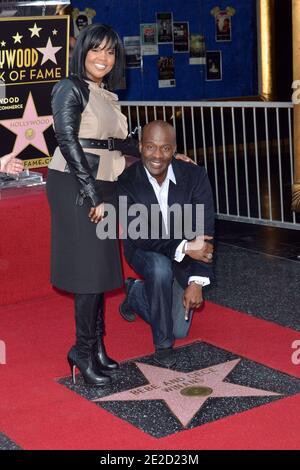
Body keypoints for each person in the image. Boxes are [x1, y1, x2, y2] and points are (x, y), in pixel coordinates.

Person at [47, 24, 193, 387]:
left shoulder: (105, 94)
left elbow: (120, 145)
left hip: (104, 185)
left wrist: (169, 158)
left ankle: (94, 347)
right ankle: (82, 350)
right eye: (96, 49)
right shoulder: (71, 87)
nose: (103, 58)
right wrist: (92, 194)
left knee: (97, 271)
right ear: (82, 51)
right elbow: (68, 140)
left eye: (110, 52)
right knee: (87, 272)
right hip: (77, 185)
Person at [118, 121, 215, 368]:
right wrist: (184, 247)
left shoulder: (195, 176)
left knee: (180, 330)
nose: (157, 155)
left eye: (165, 148)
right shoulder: (127, 180)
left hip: (183, 253)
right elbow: (138, 233)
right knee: (160, 268)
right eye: (150, 147)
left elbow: (204, 233)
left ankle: (136, 293)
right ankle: (162, 344)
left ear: (174, 150)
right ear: (140, 147)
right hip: (143, 248)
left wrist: (196, 282)